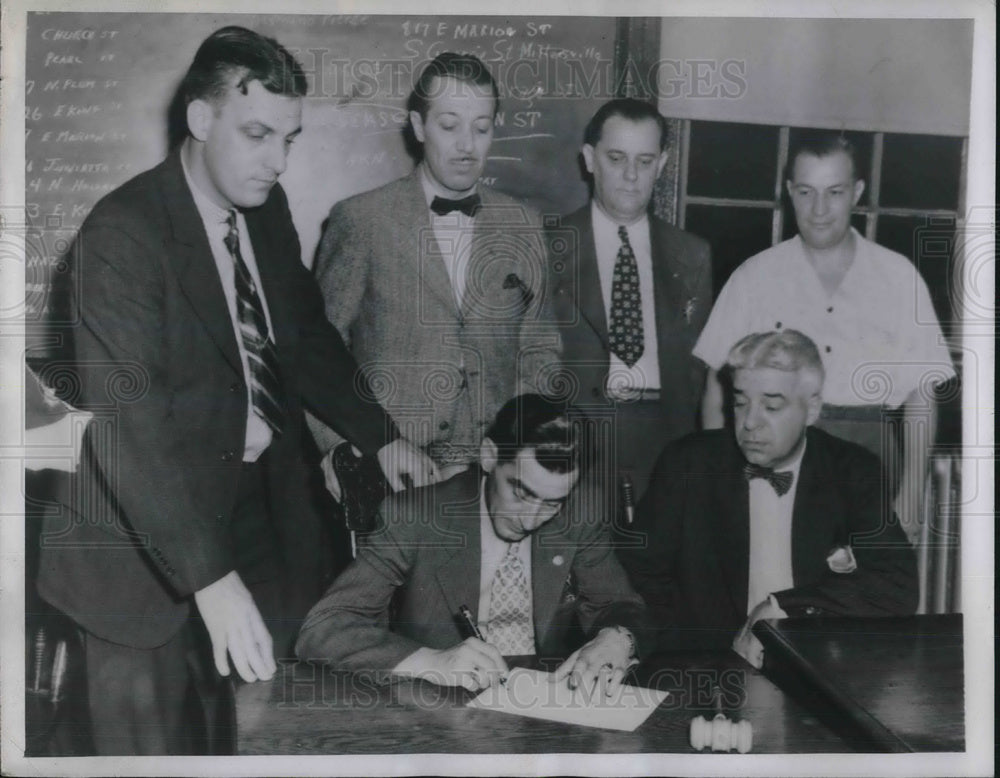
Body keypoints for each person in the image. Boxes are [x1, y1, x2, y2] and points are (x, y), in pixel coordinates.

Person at [35, 26, 434, 755]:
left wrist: (382, 435)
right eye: (257, 135)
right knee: (144, 759)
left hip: (251, 511)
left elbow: (306, 340)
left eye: (290, 139)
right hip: (130, 541)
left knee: (266, 738)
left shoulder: (265, 211)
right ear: (199, 119)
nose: (277, 162)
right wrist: (212, 582)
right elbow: (132, 430)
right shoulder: (120, 237)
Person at [308, 52, 560, 484]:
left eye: (481, 128)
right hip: (386, 468)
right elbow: (317, 349)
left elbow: (539, 349)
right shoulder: (361, 219)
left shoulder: (524, 224)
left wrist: (516, 445)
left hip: (489, 474)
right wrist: (339, 450)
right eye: (449, 126)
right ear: (420, 126)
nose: (467, 145)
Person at [693, 133, 955, 544]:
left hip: (870, 456)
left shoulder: (898, 277)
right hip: (776, 453)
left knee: (867, 596)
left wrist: (910, 495)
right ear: (789, 192)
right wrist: (720, 483)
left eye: (834, 192)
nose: (818, 209)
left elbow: (922, 394)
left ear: (857, 193)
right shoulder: (754, 276)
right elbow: (715, 389)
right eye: (806, 191)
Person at [296, 394, 649, 696]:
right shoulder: (418, 517)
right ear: (489, 456)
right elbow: (324, 628)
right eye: (521, 493)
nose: (530, 519)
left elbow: (620, 603)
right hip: (440, 710)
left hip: (548, 705)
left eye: (552, 503)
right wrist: (432, 661)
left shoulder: (580, 511)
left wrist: (617, 639)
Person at [620, 330, 917, 668]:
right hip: (706, 666)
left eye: (772, 406)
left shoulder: (851, 470)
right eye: (740, 402)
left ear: (812, 409)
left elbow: (896, 585)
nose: (749, 423)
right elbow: (637, 575)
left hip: (813, 664)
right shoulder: (687, 464)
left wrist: (782, 606)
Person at [549, 98, 712, 503]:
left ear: (661, 164)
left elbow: (700, 372)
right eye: (616, 158)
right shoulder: (546, 249)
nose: (630, 176)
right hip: (574, 443)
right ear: (590, 159)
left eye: (645, 160)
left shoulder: (693, 255)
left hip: (666, 443)